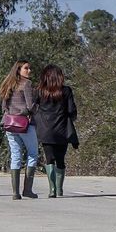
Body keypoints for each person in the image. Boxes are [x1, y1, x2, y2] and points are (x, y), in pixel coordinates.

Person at [34, 64, 77, 198]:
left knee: (49, 159)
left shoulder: (40, 91)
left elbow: (33, 108)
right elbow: (71, 111)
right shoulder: (66, 91)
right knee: (60, 159)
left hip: (45, 130)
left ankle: (52, 189)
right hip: (62, 130)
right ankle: (59, 189)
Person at [0, 60, 40, 200]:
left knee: (15, 155)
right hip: (25, 124)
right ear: (18, 70)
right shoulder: (26, 84)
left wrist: (10, 114)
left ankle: (15, 192)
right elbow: (30, 106)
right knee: (33, 153)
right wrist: (37, 108)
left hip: (10, 124)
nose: (29, 71)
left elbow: (4, 106)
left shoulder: (7, 84)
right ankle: (27, 190)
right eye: (26, 68)